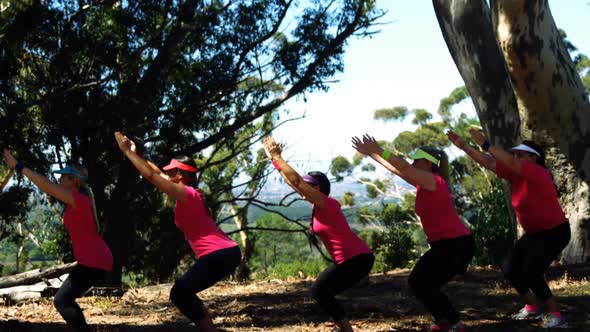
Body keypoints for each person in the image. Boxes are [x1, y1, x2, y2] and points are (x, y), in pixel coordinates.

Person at [114, 132, 240, 332]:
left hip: (219, 255)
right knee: (183, 292)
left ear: (180, 175)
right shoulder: (188, 192)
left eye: (172, 172)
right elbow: (155, 172)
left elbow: (151, 176)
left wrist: (127, 152)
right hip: (225, 253)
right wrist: (138, 154)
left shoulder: (186, 194)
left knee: (180, 293)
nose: (168, 175)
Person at [447, 129, 570, 328]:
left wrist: (486, 144)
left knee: (531, 271)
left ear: (534, 158)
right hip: (534, 234)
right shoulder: (516, 174)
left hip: (554, 232)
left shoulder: (538, 172)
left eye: (520, 154)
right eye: (515, 154)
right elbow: (489, 162)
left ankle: (556, 315)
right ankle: (532, 308)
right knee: (509, 267)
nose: (515, 157)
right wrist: (464, 146)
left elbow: (506, 160)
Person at [352, 134, 474, 332]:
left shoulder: (434, 181)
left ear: (428, 163)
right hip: (444, 246)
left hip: (456, 245)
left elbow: (404, 167)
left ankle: (454, 323)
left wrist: (380, 148)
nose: (412, 162)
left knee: (421, 283)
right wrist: (371, 153)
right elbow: (397, 169)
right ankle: (443, 320)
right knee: (421, 284)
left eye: (417, 159)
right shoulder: (422, 183)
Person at [263, 136, 374, 332]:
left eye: (309, 185)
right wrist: (274, 161)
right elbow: (293, 182)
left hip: (357, 259)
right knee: (322, 292)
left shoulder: (326, 203)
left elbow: (296, 180)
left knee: (320, 291)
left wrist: (278, 156)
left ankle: (346, 329)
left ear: (319, 188)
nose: (302, 187)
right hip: (349, 260)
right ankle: (344, 327)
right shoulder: (317, 206)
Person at [2, 149, 112, 332]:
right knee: (64, 300)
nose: (60, 181)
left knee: (62, 300)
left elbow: (45, 184)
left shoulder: (79, 200)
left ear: (74, 181)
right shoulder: (77, 201)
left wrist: (19, 166)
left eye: (64, 178)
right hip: (94, 260)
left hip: (95, 262)